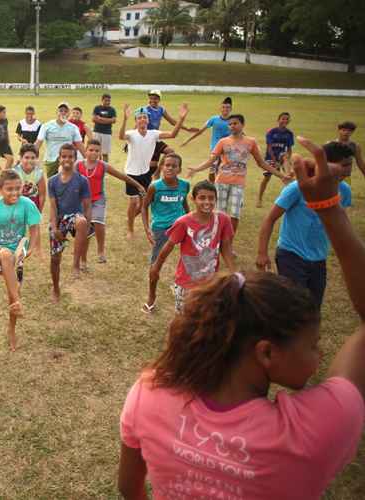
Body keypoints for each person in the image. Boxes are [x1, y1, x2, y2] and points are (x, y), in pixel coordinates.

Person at [118, 143, 365, 500]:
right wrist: (329, 209)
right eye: (312, 343)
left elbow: (129, 488)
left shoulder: (148, 392)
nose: (320, 352)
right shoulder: (309, 434)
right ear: (266, 352)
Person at [256, 139, 352, 309]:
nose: (349, 170)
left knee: (314, 305)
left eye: (350, 164)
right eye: (344, 165)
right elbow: (270, 219)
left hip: (319, 258)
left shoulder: (344, 191)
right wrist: (262, 253)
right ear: (324, 164)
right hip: (291, 254)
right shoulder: (297, 188)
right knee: (294, 305)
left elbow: (340, 224)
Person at [188, 114, 289, 235]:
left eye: (235, 123)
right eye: (230, 124)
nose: (232, 126)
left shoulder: (250, 142)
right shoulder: (223, 142)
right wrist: (196, 169)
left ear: (243, 125)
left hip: (238, 183)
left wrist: (281, 175)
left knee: (235, 214)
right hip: (221, 182)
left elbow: (261, 163)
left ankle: (228, 241)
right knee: (219, 213)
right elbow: (211, 161)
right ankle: (216, 239)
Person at [0, 170, 41, 351]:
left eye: (18, 188)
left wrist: (31, 248)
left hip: (18, 251)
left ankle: (11, 328)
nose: (14, 193)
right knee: (5, 255)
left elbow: (35, 228)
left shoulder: (27, 204)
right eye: (9, 189)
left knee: (12, 291)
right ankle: (18, 303)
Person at [149, 180, 235, 313]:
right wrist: (156, 267)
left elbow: (226, 246)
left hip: (210, 282)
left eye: (211, 198)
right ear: (193, 199)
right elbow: (168, 246)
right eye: (202, 198)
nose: (207, 202)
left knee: (206, 316)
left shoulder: (223, 220)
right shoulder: (183, 222)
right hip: (186, 282)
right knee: (185, 318)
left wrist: (233, 272)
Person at [119, 103, 189, 239]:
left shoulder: (154, 134)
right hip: (131, 173)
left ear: (148, 120)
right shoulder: (131, 134)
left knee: (144, 202)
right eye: (139, 118)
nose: (142, 120)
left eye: (144, 117)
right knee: (133, 202)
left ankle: (133, 219)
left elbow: (173, 134)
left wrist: (181, 119)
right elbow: (121, 136)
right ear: (136, 121)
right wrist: (125, 119)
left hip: (146, 173)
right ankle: (130, 229)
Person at [77, 140, 146, 267]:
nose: (93, 152)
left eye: (97, 150)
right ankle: (83, 260)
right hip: (83, 201)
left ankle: (101, 251)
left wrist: (138, 185)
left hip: (98, 199)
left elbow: (122, 176)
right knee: (85, 231)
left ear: (100, 153)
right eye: (91, 150)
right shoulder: (78, 165)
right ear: (85, 151)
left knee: (98, 222)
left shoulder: (103, 165)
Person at [141, 153, 190, 313]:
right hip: (161, 228)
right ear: (162, 167)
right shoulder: (155, 186)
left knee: (190, 258)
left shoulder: (185, 185)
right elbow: (144, 207)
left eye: (173, 166)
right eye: (167, 165)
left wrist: (191, 221)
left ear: (179, 169)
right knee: (156, 264)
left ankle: (182, 288)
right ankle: (151, 296)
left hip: (182, 225)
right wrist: (147, 229)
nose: (169, 168)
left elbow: (184, 202)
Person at [48, 143, 91, 302]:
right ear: (59, 158)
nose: (67, 159)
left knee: (81, 222)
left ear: (75, 158)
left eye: (70, 156)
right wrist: (54, 228)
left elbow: (87, 205)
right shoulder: (52, 181)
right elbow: (52, 207)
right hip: (59, 220)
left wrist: (87, 225)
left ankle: (76, 264)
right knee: (55, 259)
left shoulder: (82, 180)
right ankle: (56, 288)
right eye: (64, 156)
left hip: (75, 216)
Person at [142, 90, 197, 177]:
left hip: (156, 137)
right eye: (151, 98)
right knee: (152, 166)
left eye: (155, 98)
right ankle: (152, 177)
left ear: (159, 99)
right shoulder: (145, 110)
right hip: (147, 139)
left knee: (170, 152)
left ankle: (157, 173)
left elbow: (172, 122)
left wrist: (187, 128)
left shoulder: (161, 110)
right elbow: (138, 124)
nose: (152, 100)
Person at [180, 96, 233, 183]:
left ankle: (219, 185)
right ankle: (212, 185)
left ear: (231, 109)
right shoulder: (213, 119)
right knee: (212, 170)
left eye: (227, 107)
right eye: (223, 107)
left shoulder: (233, 121)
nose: (225, 109)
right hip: (215, 149)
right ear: (220, 108)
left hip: (228, 150)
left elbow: (240, 134)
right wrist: (188, 140)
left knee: (224, 170)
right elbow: (200, 131)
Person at [35, 102, 86, 178]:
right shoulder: (46, 126)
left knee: (66, 182)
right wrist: (30, 156)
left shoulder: (73, 127)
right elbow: (38, 143)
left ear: (69, 114)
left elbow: (79, 145)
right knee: (52, 183)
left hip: (67, 159)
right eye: (61, 111)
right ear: (57, 112)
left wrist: (88, 159)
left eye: (66, 111)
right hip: (51, 160)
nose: (63, 113)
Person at [257, 112, 294, 208]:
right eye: (283, 118)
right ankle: (259, 199)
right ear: (278, 120)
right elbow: (269, 148)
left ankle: (289, 198)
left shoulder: (289, 133)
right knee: (266, 178)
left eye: (287, 119)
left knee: (287, 178)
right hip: (271, 157)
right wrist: (275, 161)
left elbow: (289, 149)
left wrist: (288, 159)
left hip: (282, 157)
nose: (285, 121)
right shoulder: (272, 132)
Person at [13, 144, 47, 212]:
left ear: (37, 159)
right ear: (21, 158)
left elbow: (42, 195)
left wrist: (39, 211)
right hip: (17, 204)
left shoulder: (38, 173)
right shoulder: (15, 172)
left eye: (33, 158)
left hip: (33, 205)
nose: (30, 160)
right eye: (26, 157)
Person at [91, 93, 117, 162]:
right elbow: (93, 119)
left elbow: (114, 120)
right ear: (102, 100)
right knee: (95, 151)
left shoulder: (112, 110)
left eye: (109, 101)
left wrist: (100, 119)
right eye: (106, 100)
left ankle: (105, 168)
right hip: (97, 132)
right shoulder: (97, 108)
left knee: (105, 153)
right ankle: (95, 167)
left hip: (107, 133)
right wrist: (108, 121)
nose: (108, 102)